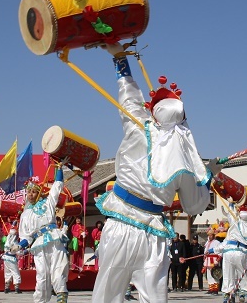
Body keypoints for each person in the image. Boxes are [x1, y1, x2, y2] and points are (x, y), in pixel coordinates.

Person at [92, 43, 217, 303]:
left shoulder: (138, 126)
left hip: (122, 225)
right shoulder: (185, 156)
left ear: (153, 112)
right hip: (154, 235)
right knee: (154, 298)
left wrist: (120, 58)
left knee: (107, 295)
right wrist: (207, 179)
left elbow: (129, 94)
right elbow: (193, 205)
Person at [18, 167, 69, 303]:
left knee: (58, 268)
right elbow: (26, 236)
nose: (30, 194)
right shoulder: (25, 214)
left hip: (54, 238)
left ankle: (61, 296)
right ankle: (40, 300)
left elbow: (57, 186)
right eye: (28, 192)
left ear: (39, 193)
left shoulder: (48, 202)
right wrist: (19, 245)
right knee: (42, 275)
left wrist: (59, 169)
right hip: (39, 244)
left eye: (33, 191)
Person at [208, 204, 247, 303]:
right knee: (243, 275)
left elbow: (224, 244)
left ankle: (228, 296)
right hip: (241, 252)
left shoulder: (233, 227)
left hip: (228, 252)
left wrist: (212, 250)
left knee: (228, 276)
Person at [2, 226, 22, 294]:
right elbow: (19, 252)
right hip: (11, 259)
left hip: (6, 258)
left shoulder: (7, 240)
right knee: (15, 272)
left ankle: (7, 287)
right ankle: (17, 288)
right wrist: (26, 251)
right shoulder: (15, 243)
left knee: (7, 272)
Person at [204, 229, 221, 295]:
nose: (210, 236)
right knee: (209, 275)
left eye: (211, 235)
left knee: (214, 274)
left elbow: (220, 252)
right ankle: (211, 289)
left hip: (214, 259)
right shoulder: (207, 242)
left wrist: (217, 260)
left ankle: (215, 289)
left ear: (213, 235)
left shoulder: (217, 242)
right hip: (208, 259)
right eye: (209, 235)